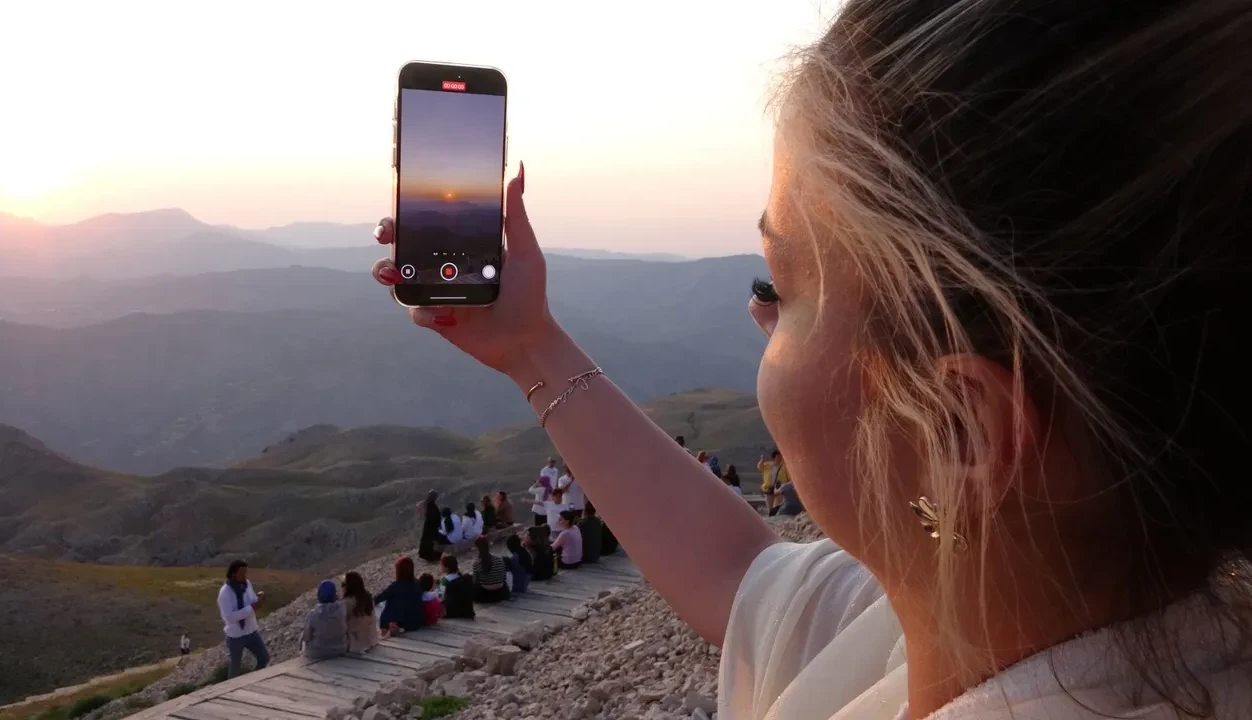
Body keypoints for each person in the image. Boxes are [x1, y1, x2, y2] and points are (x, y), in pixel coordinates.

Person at [373, 27, 1252, 716]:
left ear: (957, 430)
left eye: (782, 289)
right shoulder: (990, 607)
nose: (761, 320)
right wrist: (529, 344)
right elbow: (739, 577)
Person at [217, 560, 269, 679]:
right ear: (233, 574)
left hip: (251, 631)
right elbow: (230, 618)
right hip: (236, 636)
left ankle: (252, 680)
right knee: (235, 669)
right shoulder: (225, 593)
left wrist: (258, 601)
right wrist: (251, 608)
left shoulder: (247, 584)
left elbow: (252, 600)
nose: (245, 576)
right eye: (242, 573)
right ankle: (232, 688)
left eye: (246, 573)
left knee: (264, 658)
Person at [375, 556, 424, 634]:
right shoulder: (418, 584)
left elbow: (378, 599)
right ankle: (402, 628)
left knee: (377, 607)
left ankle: (394, 628)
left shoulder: (396, 586)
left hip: (395, 621)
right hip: (414, 623)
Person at [302, 580, 348, 660]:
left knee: (302, 639)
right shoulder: (342, 609)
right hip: (340, 649)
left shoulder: (313, 614)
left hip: (318, 653)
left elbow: (306, 637)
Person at [342, 571, 379, 653]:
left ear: (349, 586)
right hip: (372, 640)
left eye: (343, 584)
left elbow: (340, 623)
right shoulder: (368, 597)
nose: (341, 587)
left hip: (356, 645)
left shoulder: (348, 602)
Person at [470, 535, 510, 603]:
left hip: (485, 593)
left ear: (477, 549)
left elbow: (475, 582)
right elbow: (503, 577)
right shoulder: (499, 559)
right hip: (501, 592)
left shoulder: (477, 563)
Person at [438, 555, 475, 619]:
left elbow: (441, 598)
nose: (440, 567)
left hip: (451, 610)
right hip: (464, 609)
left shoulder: (445, 580)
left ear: (447, 568)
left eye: (441, 565)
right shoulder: (460, 576)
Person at [756, 450, 788, 517]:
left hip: (779, 488)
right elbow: (760, 467)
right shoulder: (768, 465)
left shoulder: (784, 466)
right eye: (777, 457)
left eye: (780, 457)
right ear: (774, 458)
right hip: (769, 487)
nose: (779, 459)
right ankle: (770, 517)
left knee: (777, 506)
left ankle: (776, 517)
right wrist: (761, 461)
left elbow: (788, 476)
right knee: (770, 507)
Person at [417, 490, 443, 563]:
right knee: (429, 542)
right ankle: (430, 557)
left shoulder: (428, 505)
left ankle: (427, 555)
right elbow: (434, 517)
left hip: (428, 526)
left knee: (427, 541)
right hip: (431, 527)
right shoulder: (431, 506)